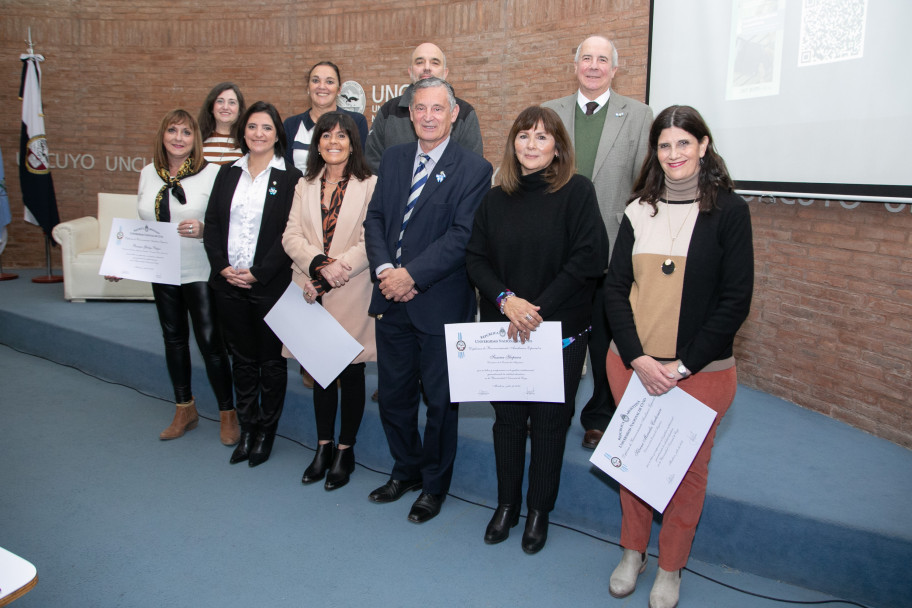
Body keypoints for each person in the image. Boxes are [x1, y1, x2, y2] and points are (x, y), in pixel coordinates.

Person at [603, 105, 753, 608]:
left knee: (687, 475)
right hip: (633, 367)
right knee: (634, 467)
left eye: (684, 144)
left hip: (701, 373)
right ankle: (632, 552)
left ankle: (671, 566)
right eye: (664, 145)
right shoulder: (637, 210)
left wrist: (682, 365)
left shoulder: (730, 212)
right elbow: (614, 289)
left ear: (704, 146)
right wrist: (638, 358)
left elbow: (736, 300)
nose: (673, 154)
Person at [466, 106, 608, 554]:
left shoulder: (578, 192)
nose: (531, 145)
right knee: (507, 422)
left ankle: (538, 511)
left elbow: (589, 258)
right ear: (513, 144)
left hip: (558, 331)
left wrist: (536, 308)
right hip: (504, 329)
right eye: (523, 136)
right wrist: (508, 302)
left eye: (542, 137)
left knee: (549, 424)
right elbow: (475, 259)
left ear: (558, 147)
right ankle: (506, 504)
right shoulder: (495, 198)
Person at [363, 77, 492, 523]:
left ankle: (434, 486)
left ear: (454, 114)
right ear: (410, 112)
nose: (429, 116)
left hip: (439, 304)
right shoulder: (396, 159)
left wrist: (411, 275)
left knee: (440, 403)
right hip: (391, 300)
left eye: (439, 108)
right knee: (395, 398)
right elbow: (375, 219)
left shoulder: (474, 169)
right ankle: (406, 470)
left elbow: (462, 237)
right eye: (421, 108)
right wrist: (385, 272)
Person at [543, 35, 653, 449]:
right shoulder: (549, 113)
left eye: (601, 59)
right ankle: (553, 409)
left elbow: (646, 184)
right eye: (586, 58)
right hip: (557, 251)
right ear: (575, 66)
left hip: (612, 249)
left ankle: (599, 416)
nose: (593, 65)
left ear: (614, 68)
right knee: (557, 336)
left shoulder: (640, 116)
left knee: (607, 338)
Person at [110, 109, 238, 445]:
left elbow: (228, 228)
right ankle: (185, 409)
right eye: (172, 130)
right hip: (160, 269)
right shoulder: (147, 173)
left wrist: (204, 229)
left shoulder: (212, 175)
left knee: (211, 344)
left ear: (195, 139)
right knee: (174, 340)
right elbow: (143, 227)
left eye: (186, 132)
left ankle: (228, 413)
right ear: (163, 135)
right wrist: (120, 263)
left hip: (199, 270)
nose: (178, 138)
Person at [204, 101, 303, 467]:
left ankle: (266, 433)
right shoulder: (228, 173)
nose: (258, 134)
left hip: (269, 286)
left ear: (278, 134)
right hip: (228, 284)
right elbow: (213, 224)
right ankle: (247, 429)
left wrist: (259, 271)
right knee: (242, 361)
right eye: (252, 127)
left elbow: (291, 235)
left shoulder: (291, 178)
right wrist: (222, 267)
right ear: (243, 132)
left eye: (266, 128)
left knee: (271, 363)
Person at [282, 112, 377, 490]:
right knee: (321, 374)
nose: (333, 141)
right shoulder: (304, 184)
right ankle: (322, 446)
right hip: (310, 289)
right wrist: (317, 266)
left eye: (341, 136)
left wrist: (339, 269)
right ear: (316, 142)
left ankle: (345, 449)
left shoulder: (370, 184)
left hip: (352, 289)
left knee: (351, 373)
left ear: (353, 143)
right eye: (326, 135)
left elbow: (374, 238)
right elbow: (291, 235)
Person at [364, 42, 483, 173]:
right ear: (410, 71)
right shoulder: (388, 111)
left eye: (435, 62)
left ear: (445, 72)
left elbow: (472, 168)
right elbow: (372, 164)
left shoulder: (465, 113)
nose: (427, 68)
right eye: (419, 62)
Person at [283, 61, 369, 174]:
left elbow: (361, 167)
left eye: (329, 81)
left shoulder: (357, 121)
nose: (322, 86)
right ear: (308, 87)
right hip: (300, 190)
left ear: (339, 90)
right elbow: (285, 172)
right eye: (315, 80)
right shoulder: (291, 125)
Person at [198, 82, 246, 165]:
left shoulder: (247, 141)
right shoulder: (197, 139)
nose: (225, 107)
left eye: (232, 102)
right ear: (211, 108)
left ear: (239, 110)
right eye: (220, 101)